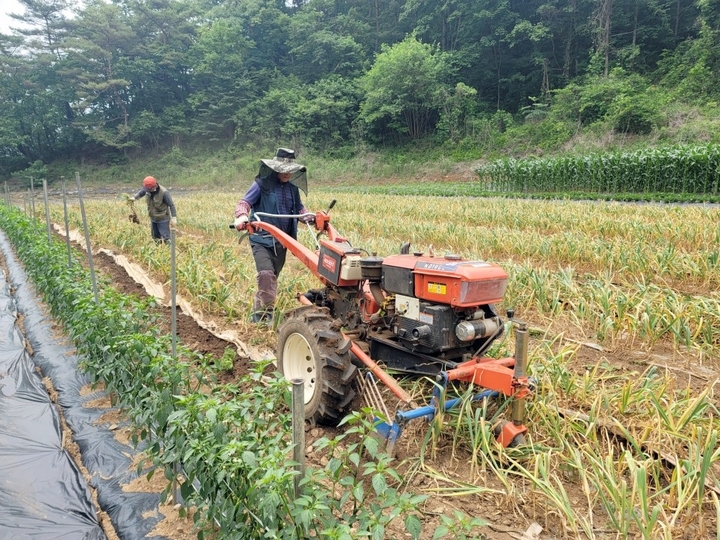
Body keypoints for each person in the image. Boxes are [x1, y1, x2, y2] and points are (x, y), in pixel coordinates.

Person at [234, 148, 313, 324]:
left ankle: (257, 315)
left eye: (290, 171)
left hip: (282, 241)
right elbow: (244, 202)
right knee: (265, 273)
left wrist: (309, 216)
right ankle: (268, 315)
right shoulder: (262, 185)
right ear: (275, 169)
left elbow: (299, 209)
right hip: (261, 238)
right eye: (283, 170)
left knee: (270, 278)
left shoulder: (293, 190)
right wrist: (241, 216)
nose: (287, 174)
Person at [133, 176, 177, 244]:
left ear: (153, 187)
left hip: (163, 219)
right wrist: (134, 198)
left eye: (147, 189)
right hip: (153, 218)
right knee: (155, 237)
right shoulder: (147, 190)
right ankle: (158, 251)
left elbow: (171, 205)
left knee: (166, 238)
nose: (146, 191)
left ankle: (168, 251)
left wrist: (174, 217)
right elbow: (141, 193)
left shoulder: (164, 192)